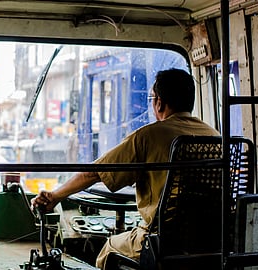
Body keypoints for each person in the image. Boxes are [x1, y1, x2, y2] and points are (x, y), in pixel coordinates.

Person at [30, 68, 220, 269]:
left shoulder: (149, 136)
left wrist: (55, 196)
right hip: (211, 239)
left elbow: (93, 173)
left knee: (110, 247)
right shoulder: (216, 137)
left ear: (159, 102)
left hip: (161, 240)